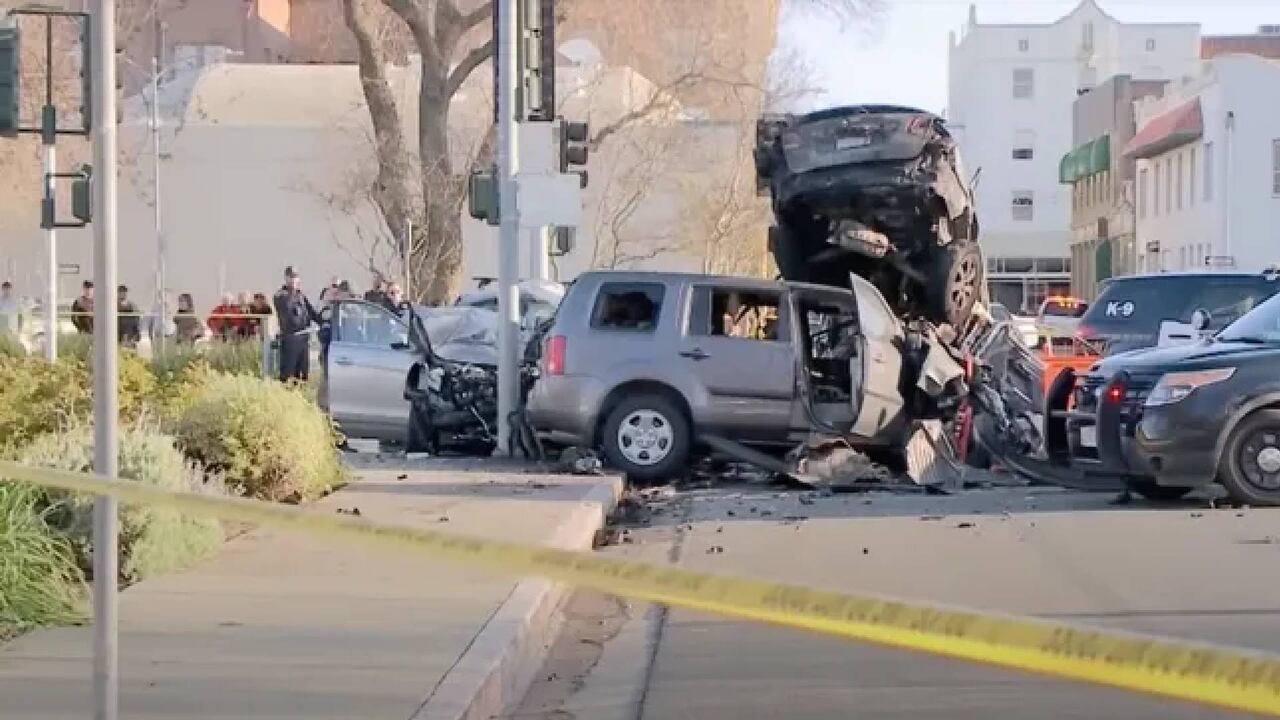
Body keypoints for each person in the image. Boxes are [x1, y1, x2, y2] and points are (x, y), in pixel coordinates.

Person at [273, 265, 321, 382]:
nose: (293, 280)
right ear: (286, 278)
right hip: (291, 339)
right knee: (288, 374)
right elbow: (288, 313)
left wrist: (325, 321)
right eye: (291, 277)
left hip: (303, 339)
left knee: (303, 374)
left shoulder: (301, 296)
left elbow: (313, 314)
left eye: (295, 277)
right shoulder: (281, 295)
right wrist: (294, 293)